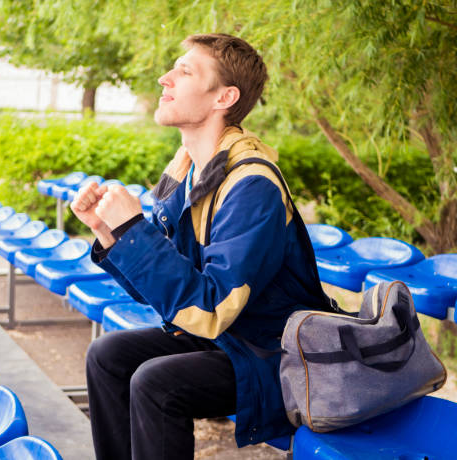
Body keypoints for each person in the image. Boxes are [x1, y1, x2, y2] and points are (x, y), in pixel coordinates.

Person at [70, 33, 334, 460]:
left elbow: (209, 310)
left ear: (224, 97)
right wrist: (109, 232)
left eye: (185, 71)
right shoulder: (188, 171)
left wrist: (134, 230)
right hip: (229, 341)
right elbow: (166, 296)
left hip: (275, 355)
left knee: (156, 383)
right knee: (108, 355)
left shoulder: (252, 185)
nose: (164, 78)